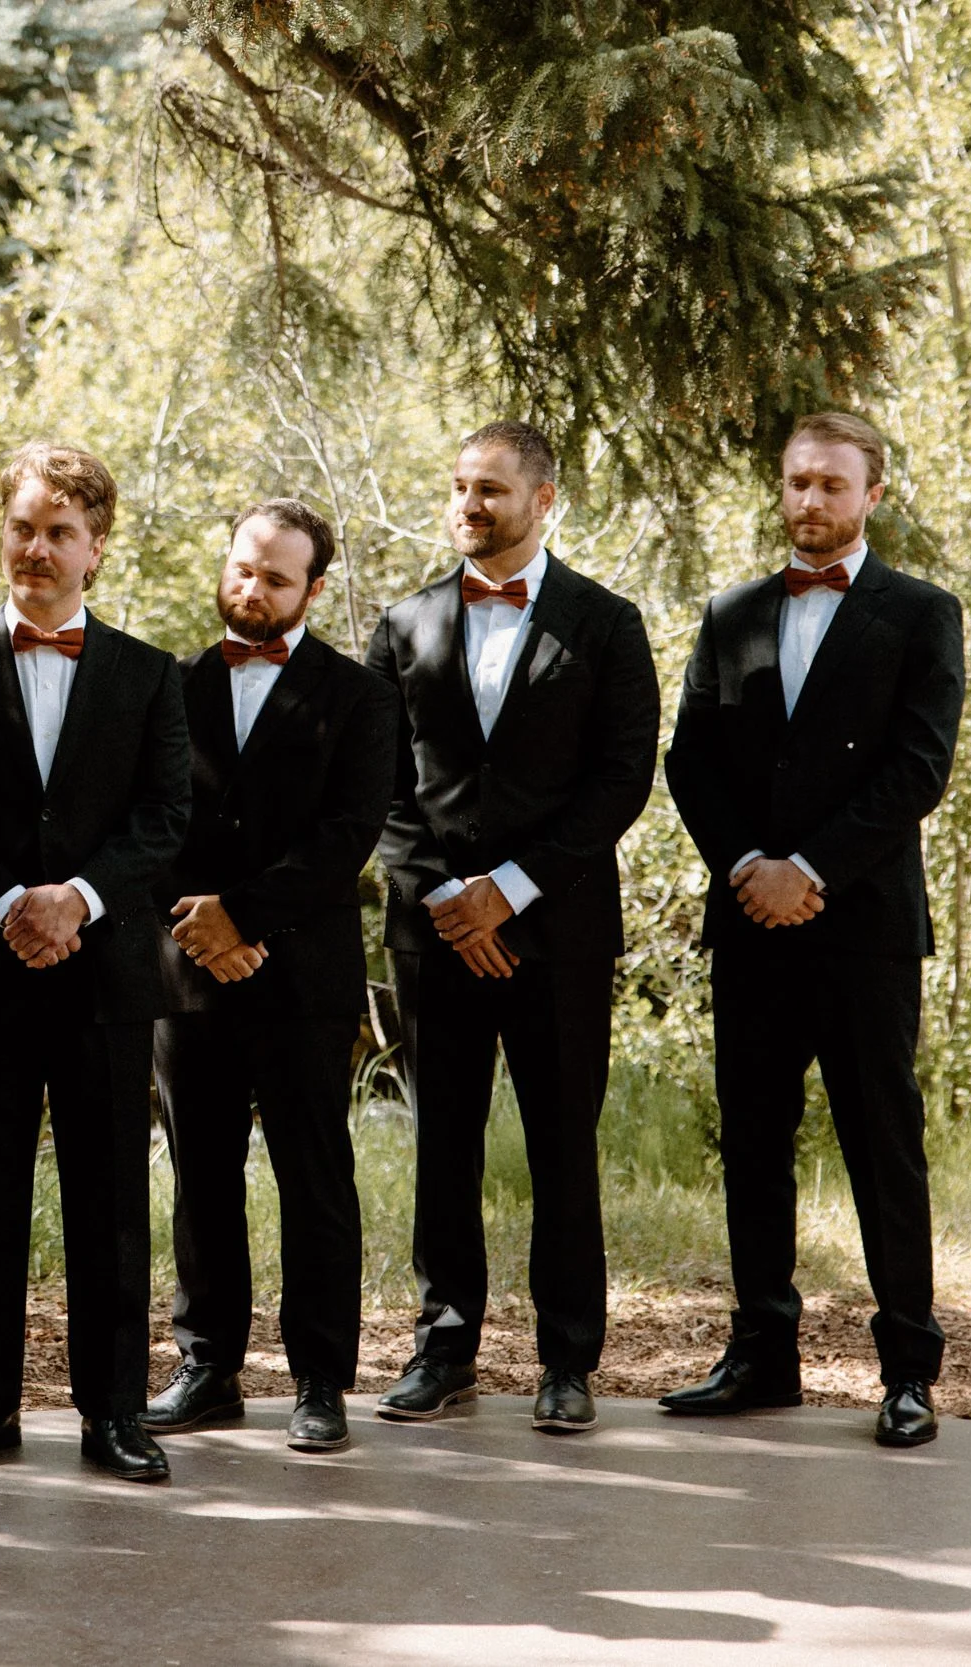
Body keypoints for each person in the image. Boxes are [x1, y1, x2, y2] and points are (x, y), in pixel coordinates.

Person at [659, 411, 964, 1447]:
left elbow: (918, 768)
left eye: (832, 485)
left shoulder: (922, 613)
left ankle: (907, 1373)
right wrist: (749, 868)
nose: (810, 503)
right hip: (750, 921)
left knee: (884, 1144)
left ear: (872, 494)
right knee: (752, 1139)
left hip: (861, 920)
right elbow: (689, 761)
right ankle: (761, 1355)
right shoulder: (732, 609)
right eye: (796, 483)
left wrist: (811, 869)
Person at [363, 420, 658, 1436]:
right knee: (441, 1141)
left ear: (543, 499)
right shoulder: (402, 624)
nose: (466, 503)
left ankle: (566, 1361)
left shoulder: (607, 624)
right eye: (456, 485)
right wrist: (451, 899)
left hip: (560, 932)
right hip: (434, 934)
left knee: (560, 1147)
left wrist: (514, 888)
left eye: (488, 488)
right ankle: (442, 1347)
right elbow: (377, 782)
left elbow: (623, 777)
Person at [0, 442, 190, 1484]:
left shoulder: (146, 673)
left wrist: (73, 900)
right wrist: (5, 906)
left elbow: (163, 818)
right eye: (23, 525)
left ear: (96, 546)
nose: (36, 547)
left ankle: (114, 1411)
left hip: (106, 972)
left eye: (59, 531)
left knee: (111, 1195)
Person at [140, 501, 396, 1454]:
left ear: (313, 590)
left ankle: (320, 1378)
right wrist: (202, 925)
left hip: (304, 973)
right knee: (201, 1172)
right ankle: (207, 1366)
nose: (253, 590)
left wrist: (243, 918)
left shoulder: (361, 698)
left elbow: (347, 838)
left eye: (276, 579)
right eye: (243, 569)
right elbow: (151, 823)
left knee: (313, 1172)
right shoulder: (170, 686)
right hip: (188, 971)